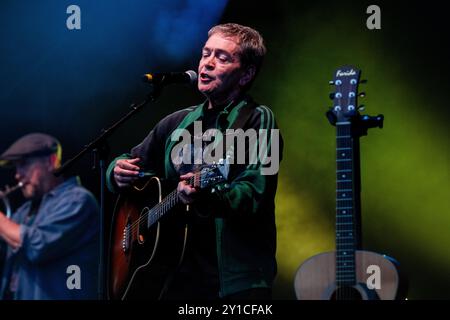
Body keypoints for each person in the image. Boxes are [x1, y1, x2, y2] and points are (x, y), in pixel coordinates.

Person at [107, 23, 283, 300]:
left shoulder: (258, 119)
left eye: (222, 58)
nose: (208, 63)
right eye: (206, 53)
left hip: (233, 283)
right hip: (174, 276)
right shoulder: (176, 122)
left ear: (246, 74)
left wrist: (207, 196)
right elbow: (130, 160)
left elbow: (255, 194)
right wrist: (116, 171)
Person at [0, 133, 99, 300]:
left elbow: (37, 245)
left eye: (24, 165)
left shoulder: (78, 201)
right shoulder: (23, 211)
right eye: (16, 168)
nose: (17, 175)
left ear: (51, 162)